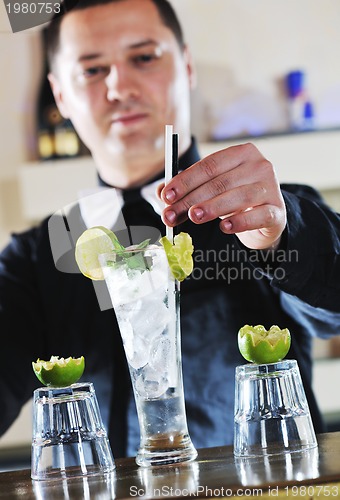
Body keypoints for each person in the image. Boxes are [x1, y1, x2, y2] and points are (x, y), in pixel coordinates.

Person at [1, 0, 340, 458]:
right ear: (61, 95)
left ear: (186, 65)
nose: (120, 87)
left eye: (143, 58)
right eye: (93, 70)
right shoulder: (37, 256)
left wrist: (280, 237)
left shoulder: (268, 210)